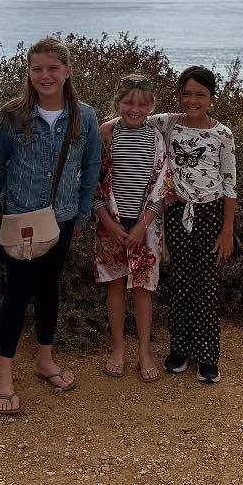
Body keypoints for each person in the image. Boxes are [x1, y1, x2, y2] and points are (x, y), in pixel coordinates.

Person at [0, 36, 101, 415]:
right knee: (17, 293)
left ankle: (45, 360)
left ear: (67, 71)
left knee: (50, 289)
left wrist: (82, 213)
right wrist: (8, 203)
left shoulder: (85, 116)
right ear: (29, 72)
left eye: (53, 68)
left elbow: (91, 168)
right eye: (37, 69)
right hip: (22, 219)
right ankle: (4, 377)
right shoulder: (12, 115)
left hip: (65, 217)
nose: (45, 75)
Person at [153, 65, 236, 384]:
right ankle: (179, 349)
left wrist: (227, 231)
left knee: (208, 286)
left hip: (211, 215)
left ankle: (207, 357)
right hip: (177, 213)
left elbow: (229, 183)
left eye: (200, 94)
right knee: (180, 283)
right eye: (186, 93)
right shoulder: (168, 123)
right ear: (179, 95)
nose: (192, 100)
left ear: (211, 99)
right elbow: (132, 118)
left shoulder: (222, 134)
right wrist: (100, 127)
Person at [93, 75, 171, 383]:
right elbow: (93, 183)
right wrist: (109, 223)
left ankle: (144, 351)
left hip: (145, 228)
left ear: (152, 106)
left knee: (142, 289)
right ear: (118, 103)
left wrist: (143, 225)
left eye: (142, 104)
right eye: (128, 102)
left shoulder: (157, 136)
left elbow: (162, 184)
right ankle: (117, 349)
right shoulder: (106, 133)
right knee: (115, 285)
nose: (134, 109)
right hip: (110, 224)